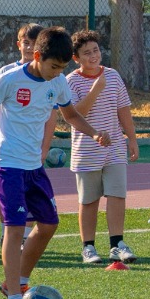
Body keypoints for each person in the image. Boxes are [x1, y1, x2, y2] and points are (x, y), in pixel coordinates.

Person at [0, 25, 96, 299]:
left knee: (49, 224)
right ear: (36, 55)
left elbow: (69, 115)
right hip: (6, 164)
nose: (57, 72)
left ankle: (15, 282)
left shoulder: (56, 82)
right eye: (53, 66)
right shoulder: (9, 79)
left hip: (33, 165)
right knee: (15, 227)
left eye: (62, 68)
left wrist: (95, 132)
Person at [58, 30, 136, 267]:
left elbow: (123, 109)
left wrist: (131, 139)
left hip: (114, 149)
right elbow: (75, 113)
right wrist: (95, 89)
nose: (93, 56)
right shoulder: (71, 81)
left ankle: (117, 244)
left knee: (117, 195)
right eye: (86, 53)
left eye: (96, 51)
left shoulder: (112, 75)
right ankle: (88, 247)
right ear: (76, 58)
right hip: (86, 151)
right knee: (89, 200)